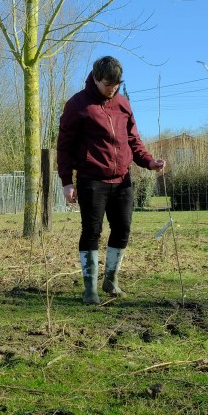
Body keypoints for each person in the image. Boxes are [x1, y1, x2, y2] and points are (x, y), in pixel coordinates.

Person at [57, 56, 165, 304]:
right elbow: (63, 147)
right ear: (95, 78)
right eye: (108, 84)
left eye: (116, 84)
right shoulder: (77, 105)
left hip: (122, 180)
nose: (112, 88)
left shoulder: (123, 104)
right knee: (92, 231)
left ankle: (111, 280)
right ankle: (90, 288)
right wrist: (67, 181)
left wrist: (149, 161)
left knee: (123, 229)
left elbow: (133, 140)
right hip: (91, 179)